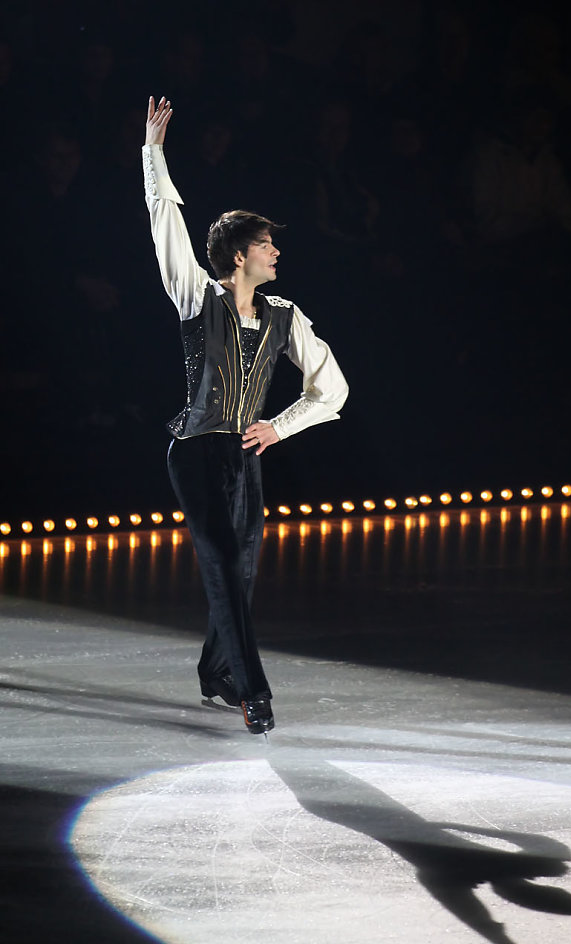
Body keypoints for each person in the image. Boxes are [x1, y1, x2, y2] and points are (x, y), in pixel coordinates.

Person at [143, 96, 349, 735]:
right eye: (265, 246)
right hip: (197, 449)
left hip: (245, 453)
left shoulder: (285, 315)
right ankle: (252, 691)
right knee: (223, 561)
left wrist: (279, 426)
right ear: (238, 256)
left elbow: (330, 390)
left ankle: (215, 669)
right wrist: (153, 154)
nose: (275, 254)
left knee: (245, 570)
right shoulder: (196, 296)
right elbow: (165, 224)